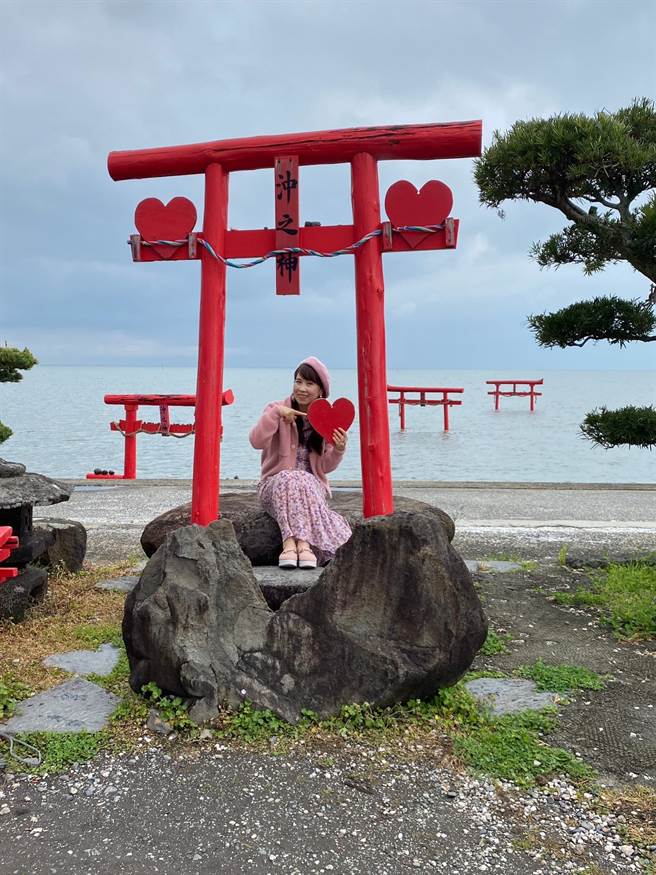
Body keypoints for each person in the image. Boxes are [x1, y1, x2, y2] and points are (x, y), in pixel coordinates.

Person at [249, 356, 351, 569]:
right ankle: (297, 545)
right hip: (275, 486)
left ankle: (296, 548)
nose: (302, 388)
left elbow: (324, 468)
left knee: (302, 477)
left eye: (309, 383)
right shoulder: (275, 408)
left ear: (321, 390)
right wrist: (276, 415)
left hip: (311, 489)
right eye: (298, 381)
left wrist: (339, 450)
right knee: (290, 476)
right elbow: (256, 441)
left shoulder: (326, 418)